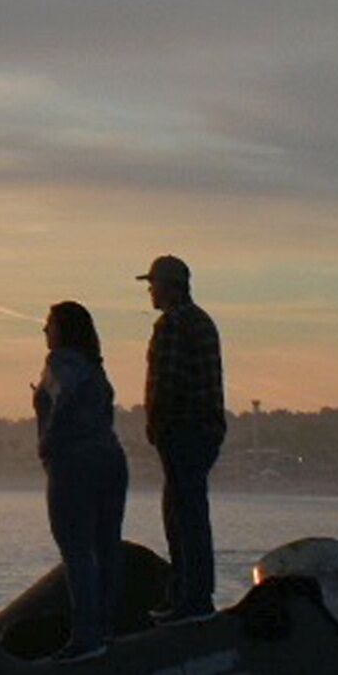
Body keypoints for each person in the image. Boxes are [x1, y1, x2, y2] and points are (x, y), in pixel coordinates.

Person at [32, 301, 130, 656]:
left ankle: (86, 637)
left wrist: (48, 443)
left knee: (76, 551)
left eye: (50, 324)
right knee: (107, 547)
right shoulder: (95, 367)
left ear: (63, 330)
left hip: (73, 465)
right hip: (110, 460)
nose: (45, 331)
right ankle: (106, 628)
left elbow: (65, 399)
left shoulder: (60, 363)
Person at [139, 255, 229, 618]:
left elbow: (168, 383)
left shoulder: (173, 324)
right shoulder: (202, 321)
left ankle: (191, 598)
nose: (150, 291)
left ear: (169, 286)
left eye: (153, 284)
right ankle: (189, 593)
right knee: (189, 510)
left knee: (182, 515)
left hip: (183, 430)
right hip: (204, 430)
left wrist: (155, 423)